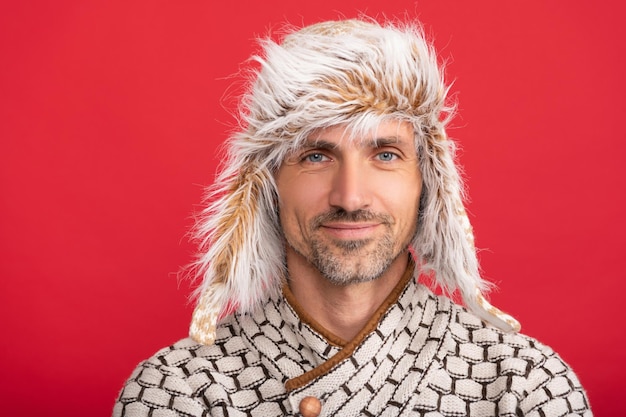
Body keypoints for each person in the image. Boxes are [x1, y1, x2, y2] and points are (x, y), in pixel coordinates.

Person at [113, 18, 591, 417]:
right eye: (316, 157)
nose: (350, 196)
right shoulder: (180, 392)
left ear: (428, 180)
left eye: (385, 154)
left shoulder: (524, 387)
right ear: (269, 183)